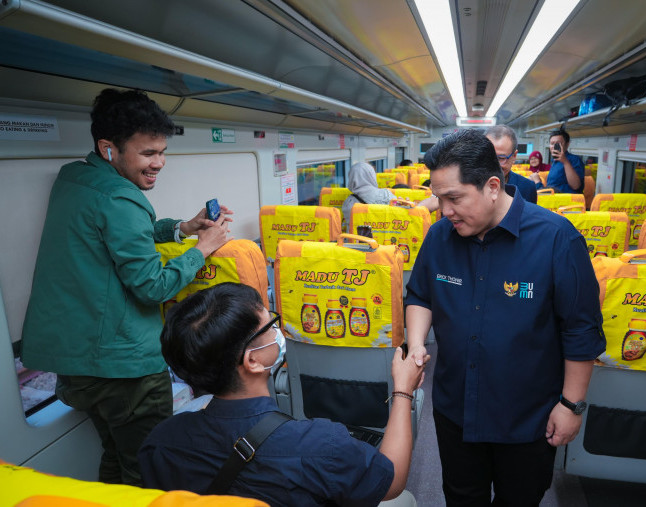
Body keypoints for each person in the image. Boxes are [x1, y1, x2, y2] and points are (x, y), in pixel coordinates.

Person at [21, 88, 232, 486]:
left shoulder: (76, 179)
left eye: (162, 151)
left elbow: (117, 236)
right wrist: (201, 249)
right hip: (123, 370)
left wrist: (181, 228)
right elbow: (151, 287)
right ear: (109, 148)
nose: (159, 163)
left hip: (78, 366)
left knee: (117, 457)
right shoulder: (121, 197)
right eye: (148, 153)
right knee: (149, 465)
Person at [404, 130, 605, 506]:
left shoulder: (557, 240)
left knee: (519, 500)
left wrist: (571, 405)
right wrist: (416, 342)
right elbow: (420, 294)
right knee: (461, 497)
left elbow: (581, 329)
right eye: (438, 198)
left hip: (528, 417)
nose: (444, 210)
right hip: (455, 408)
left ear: (492, 186)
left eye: (454, 198)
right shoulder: (438, 238)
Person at [139, 282, 428, 506]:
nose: (277, 329)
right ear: (252, 361)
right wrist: (403, 390)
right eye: (269, 325)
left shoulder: (160, 443)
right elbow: (392, 480)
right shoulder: (320, 445)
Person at [485, 125, 537, 204]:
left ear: (514, 156)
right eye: (488, 156)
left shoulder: (527, 188)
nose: (493, 164)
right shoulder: (470, 184)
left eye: (501, 158)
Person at [530, 130, 585, 194]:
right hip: (553, 197)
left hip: (564, 200)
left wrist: (565, 161)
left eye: (558, 143)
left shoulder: (574, 159)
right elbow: (553, 186)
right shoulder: (554, 161)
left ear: (567, 145)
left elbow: (575, 186)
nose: (554, 146)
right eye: (552, 143)